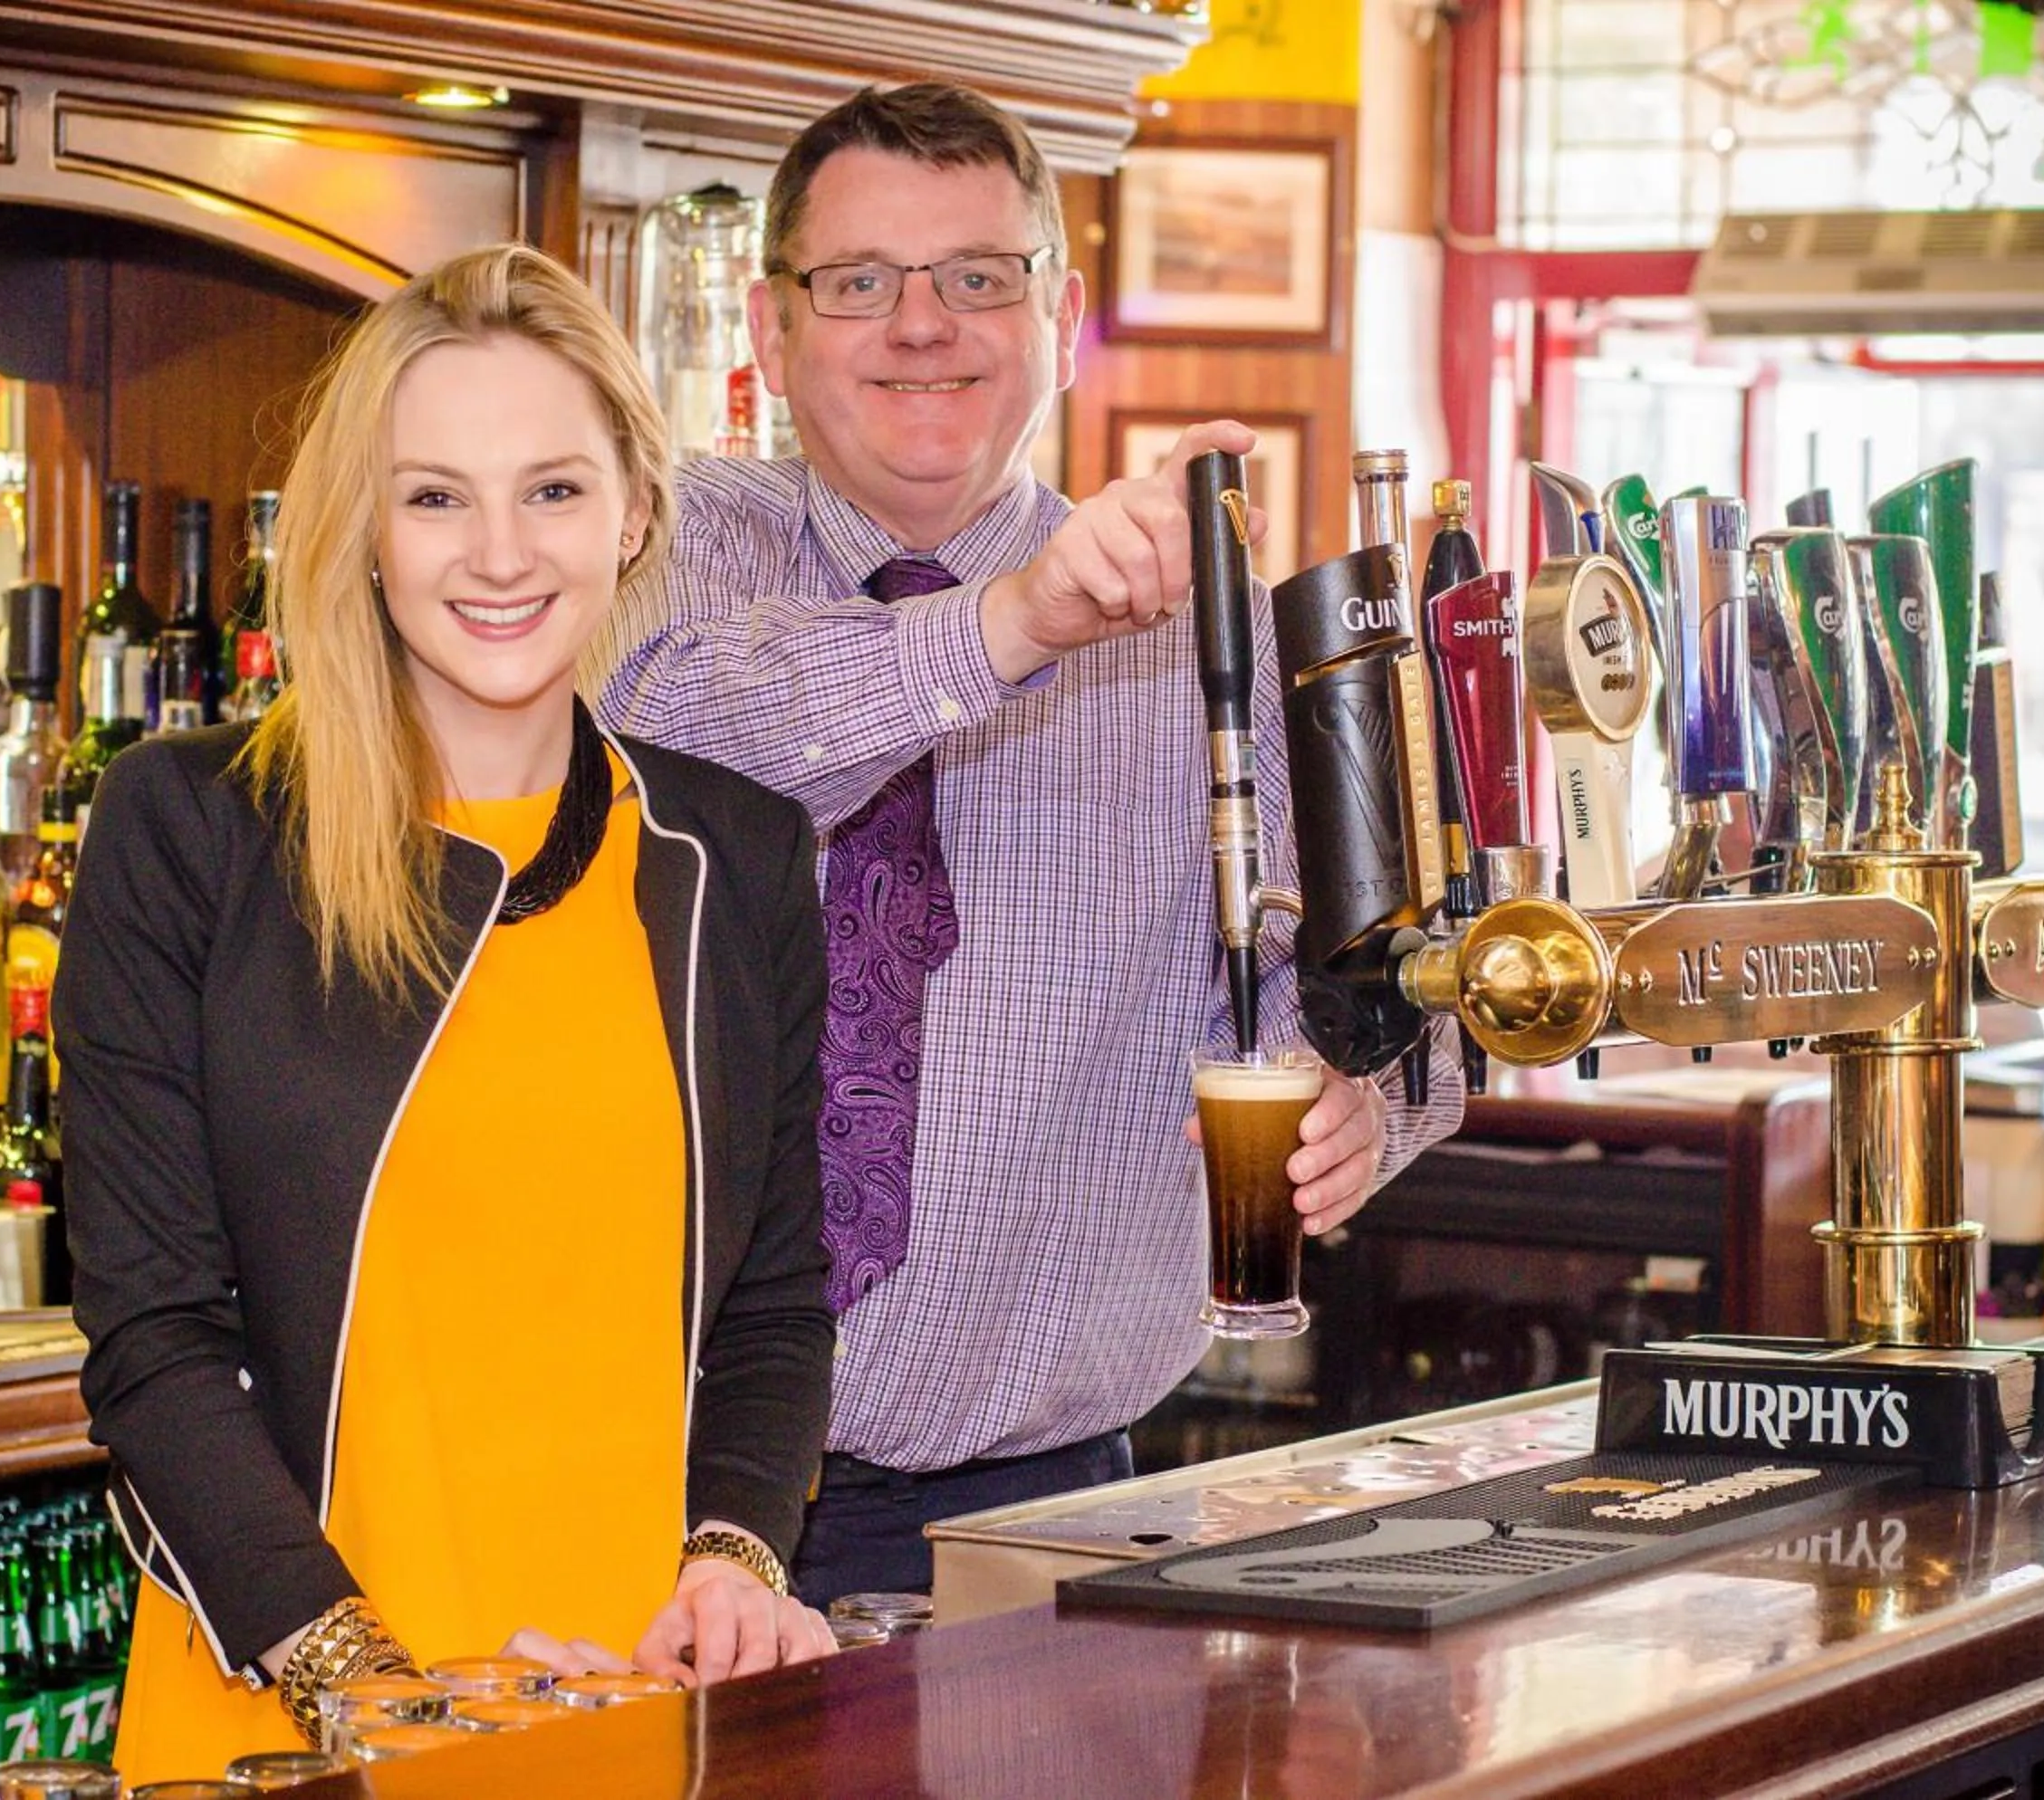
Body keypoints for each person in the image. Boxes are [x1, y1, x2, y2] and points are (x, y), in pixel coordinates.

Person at [600, 82, 1466, 1605]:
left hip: (1029, 1517)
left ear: (1058, 319)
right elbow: (679, 747)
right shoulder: (659, 536)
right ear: (769, 325)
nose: (921, 325)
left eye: (981, 278)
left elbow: (1411, 991)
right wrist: (1015, 624)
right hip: (618, 1492)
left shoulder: (1220, 643)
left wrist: (1365, 1098)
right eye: (859, 281)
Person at [60, 244, 837, 1776]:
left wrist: (733, 1561)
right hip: (290, 1717)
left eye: (551, 489)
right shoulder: (191, 830)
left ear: (635, 515)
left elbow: (774, 1300)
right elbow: (152, 1339)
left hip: (626, 1704)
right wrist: (370, 1691)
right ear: (361, 532)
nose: (498, 553)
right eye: (434, 497)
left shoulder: (733, 855)